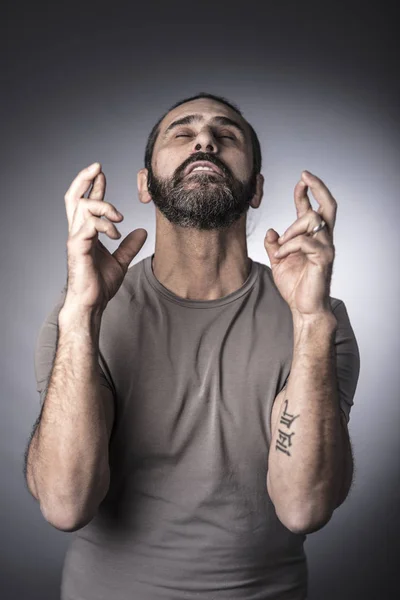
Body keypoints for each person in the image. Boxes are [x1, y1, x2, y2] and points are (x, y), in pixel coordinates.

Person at [25, 92, 360, 600]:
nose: (205, 140)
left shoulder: (319, 318)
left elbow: (304, 508)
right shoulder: (80, 316)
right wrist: (82, 315)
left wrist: (311, 322)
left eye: (227, 136)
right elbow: (64, 504)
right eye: (182, 133)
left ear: (256, 190)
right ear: (144, 184)